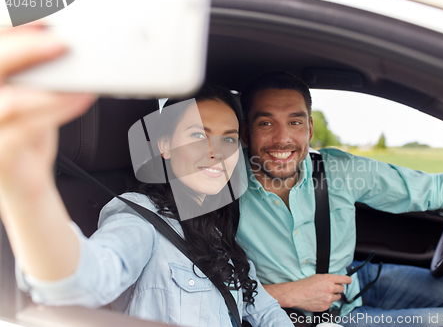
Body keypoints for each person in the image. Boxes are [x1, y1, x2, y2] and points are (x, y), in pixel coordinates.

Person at [0, 23, 293, 326]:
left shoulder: (220, 233)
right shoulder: (141, 218)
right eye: (197, 135)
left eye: (229, 138)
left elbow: (266, 312)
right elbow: (83, 282)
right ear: (165, 145)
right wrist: (27, 190)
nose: (216, 151)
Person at [235, 71, 443, 326]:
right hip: (296, 318)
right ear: (246, 132)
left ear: (310, 128)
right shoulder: (223, 191)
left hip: (353, 281)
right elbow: (203, 292)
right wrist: (288, 294)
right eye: (266, 123)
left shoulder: (339, 170)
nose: (282, 139)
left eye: (295, 122)